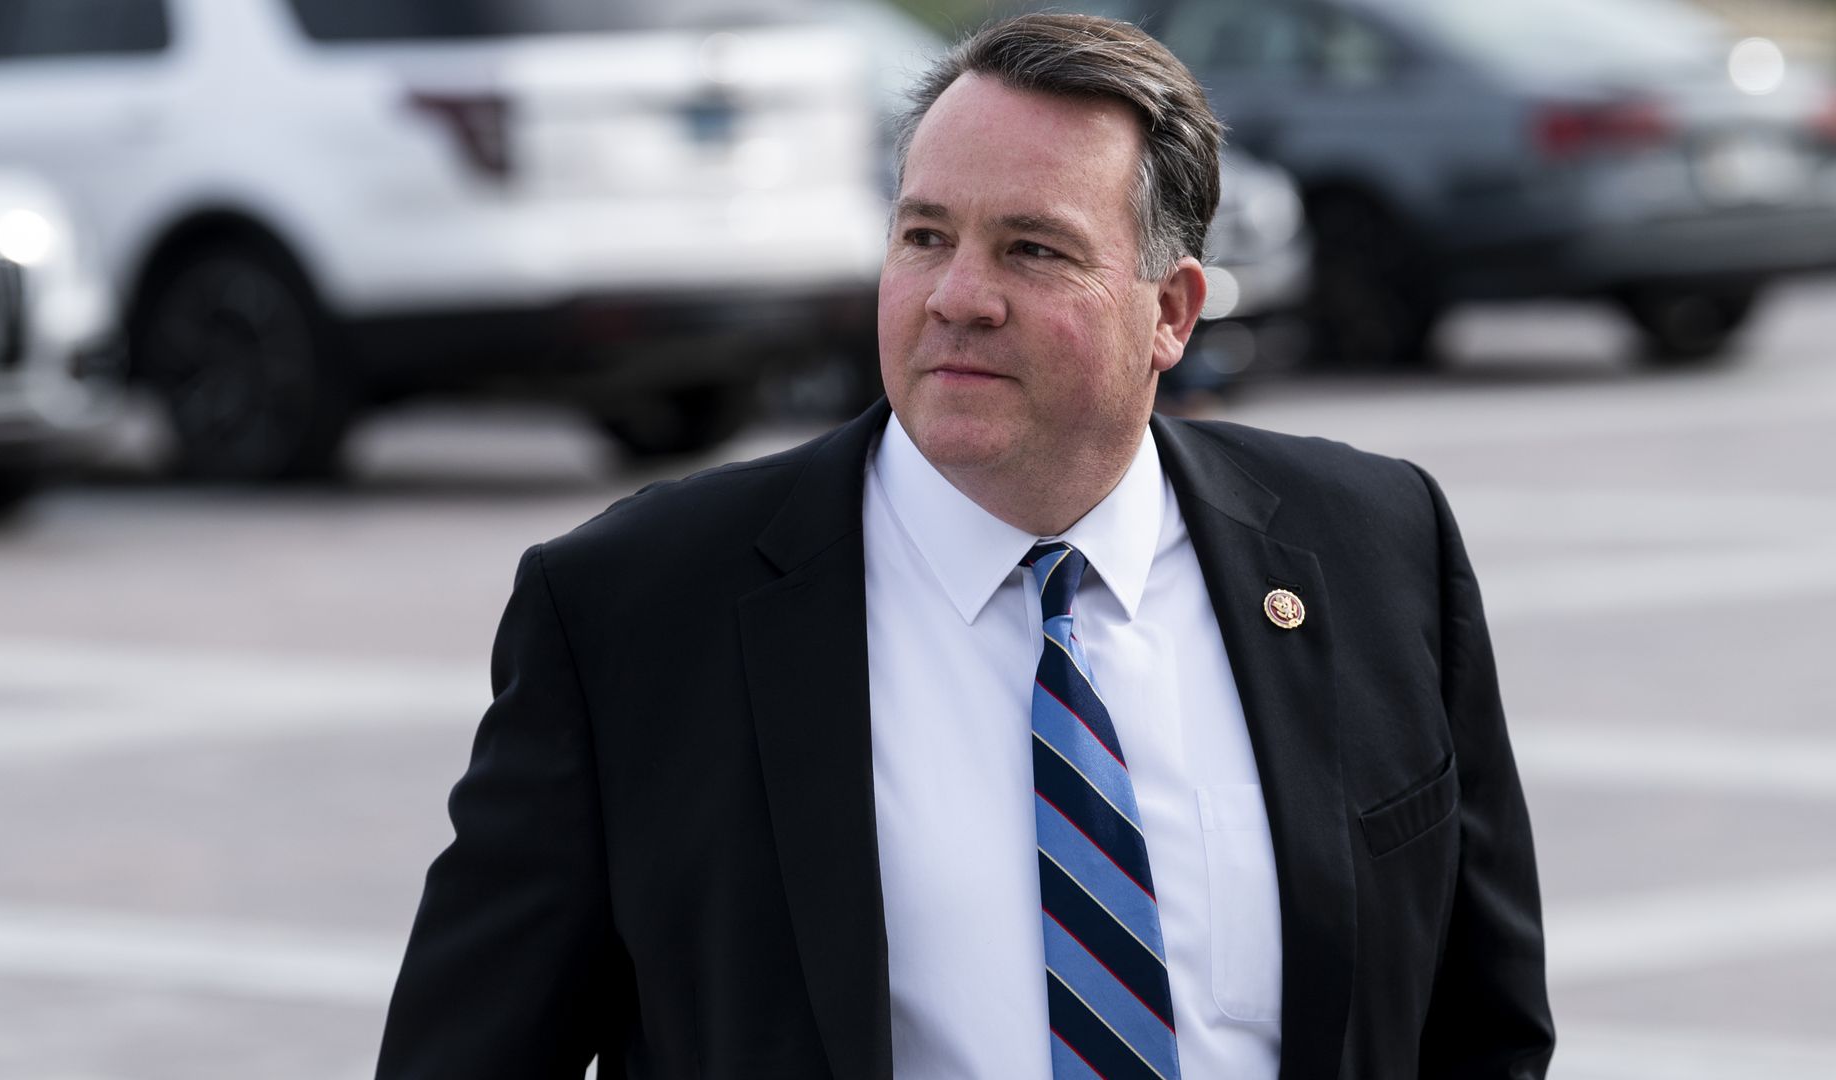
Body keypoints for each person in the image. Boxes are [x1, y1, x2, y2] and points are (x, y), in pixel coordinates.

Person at [375, 13, 1552, 1079]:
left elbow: (1482, 1028)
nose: (958, 297)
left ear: (1173, 313)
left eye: (1033, 250)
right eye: (926, 236)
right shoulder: (635, 611)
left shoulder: (1376, 548)